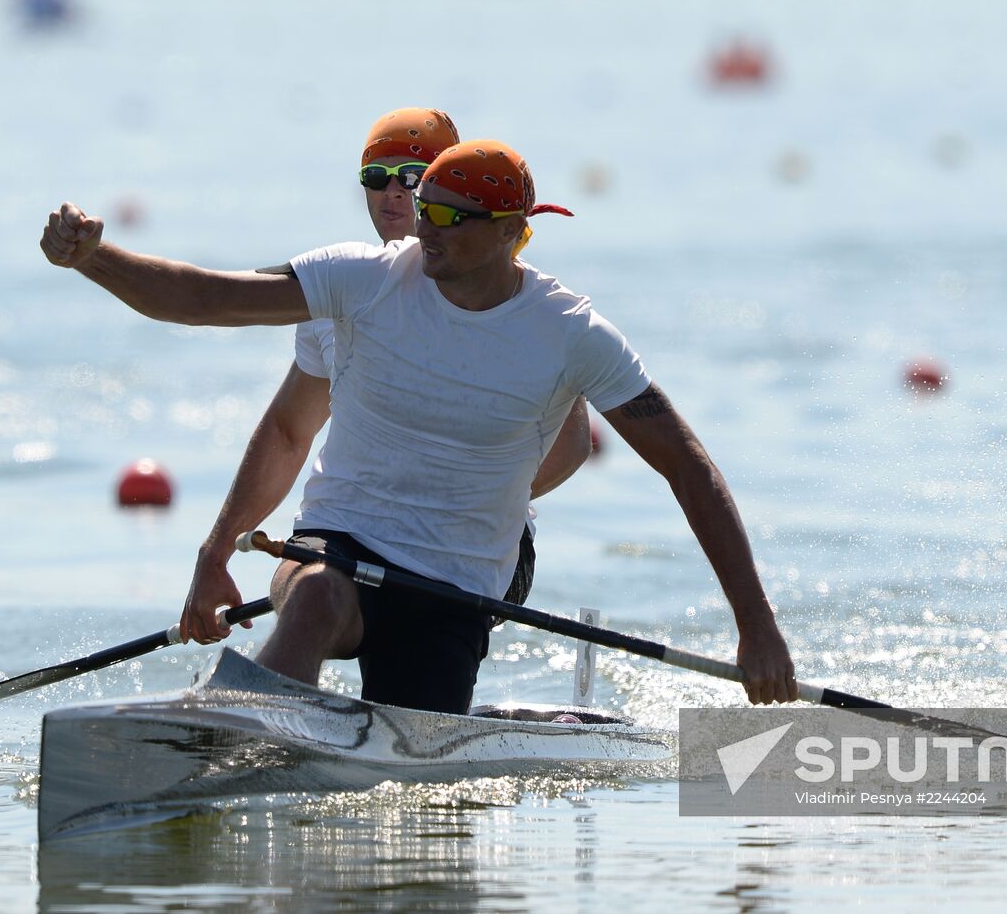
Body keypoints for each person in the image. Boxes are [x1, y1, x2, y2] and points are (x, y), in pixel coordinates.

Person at [39, 138, 799, 710]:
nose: (422, 228)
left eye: (448, 217)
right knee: (310, 599)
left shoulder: (569, 333)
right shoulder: (367, 279)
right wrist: (95, 259)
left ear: (511, 231)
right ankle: (238, 730)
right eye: (422, 207)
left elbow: (687, 465)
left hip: (456, 581)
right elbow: (204, 299)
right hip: (340, 538)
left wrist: (756, 624)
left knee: (413, 736)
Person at [182, 108, 590, 658]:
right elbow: (287, 432)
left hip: (482, 552)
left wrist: (444, 509)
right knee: (314, 598)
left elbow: (571, 445)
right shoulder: (342, 288)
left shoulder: (503, 298)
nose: (394, 193)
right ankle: (265, 718)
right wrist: (215, 554)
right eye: (377, 177)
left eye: (414, 179)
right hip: (358, 539)